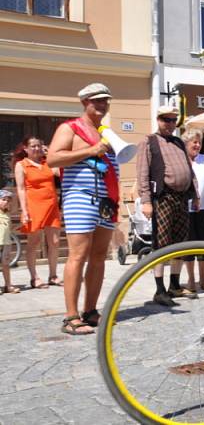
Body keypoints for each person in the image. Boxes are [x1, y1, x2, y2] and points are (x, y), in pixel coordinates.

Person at [47, 83, 121, 335]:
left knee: (99, 256)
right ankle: (70, 316)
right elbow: (53, 159)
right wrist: (92, 149)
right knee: (77, 255)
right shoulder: (70, 128)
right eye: (97, 101)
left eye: (105, 101)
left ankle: (90, 311)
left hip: (105, 201)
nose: (102, 105)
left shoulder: (105, 132)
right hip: (80, 197)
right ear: (84, 103)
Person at [136, 105, 198, 307]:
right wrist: (146, 201)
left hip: (182, 198)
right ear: (158, 119)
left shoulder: (179, 142)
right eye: (166, 120)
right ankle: (159, 289)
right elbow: (142, 173)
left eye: (173, 120)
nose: (170, 124)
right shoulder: (149, 141)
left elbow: (190, 169)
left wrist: (195, 194)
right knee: (161, 244)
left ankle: (174, 285)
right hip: (162, 197)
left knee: (180, 243)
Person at [13, 136, 62, 288]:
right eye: (33, 146)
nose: (36, 148)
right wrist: (24, 210)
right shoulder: (22, 165)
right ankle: (34, 277)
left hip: (52, 206)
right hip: (33, 206)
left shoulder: (47, 162)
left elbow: (59, 174)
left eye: (38, 146)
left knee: (54, 242)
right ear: (26, 149)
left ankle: (53, 275)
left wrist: (50, 154)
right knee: (33, 243)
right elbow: (20, 189)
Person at [182, 128, 204, 292]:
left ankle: (203, 277)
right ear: (186, 143)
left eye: (199, 142)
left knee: (203, 243)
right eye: (194, 142)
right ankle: (191, 279)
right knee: (189, 244)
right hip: (186, 208)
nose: (197, 145)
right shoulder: (181, 159)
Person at [0, 189, 20, 294]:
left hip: (6, 242)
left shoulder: (7, 214)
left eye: (8, 200)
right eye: (3, 199)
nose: (6, 202)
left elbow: (9, 229)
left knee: (6, 264)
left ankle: (8, 285)